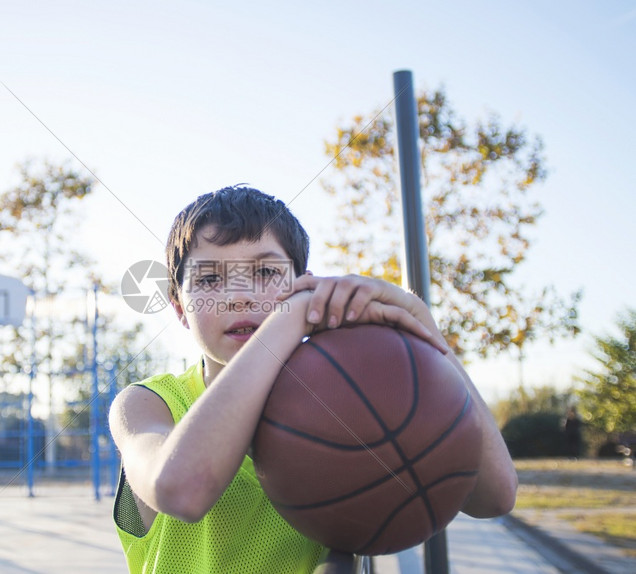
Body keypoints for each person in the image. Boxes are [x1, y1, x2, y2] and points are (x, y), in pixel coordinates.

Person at [109, 185, 518, 573]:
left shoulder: (347, 395)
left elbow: (496, 496)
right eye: (211, 279)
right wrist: (293, 316)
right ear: (180, 308)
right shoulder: (147, 404)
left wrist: (420, 324)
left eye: (266, 272)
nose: (240, 296)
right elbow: (181, 489)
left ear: (303, 283)